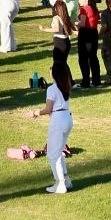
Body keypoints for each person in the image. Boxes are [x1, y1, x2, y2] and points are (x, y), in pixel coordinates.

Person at [27, 63, 74, 194]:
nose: (50, 70)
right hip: (67, 118)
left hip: (58, 120)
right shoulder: (65, 85)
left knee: (53, 154)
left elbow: (48, 109)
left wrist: (35, 113)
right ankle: (66, 180)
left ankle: (60, 184)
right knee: (58, 152)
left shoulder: (52, 89)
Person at [75, 0, 101, 88]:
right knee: (93, 57)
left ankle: (86, 81)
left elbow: (82, 23)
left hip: (85, 34)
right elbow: (97, 19)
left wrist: (74, 23)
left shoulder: (84, 9)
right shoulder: (94, 8)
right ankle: (96, 81)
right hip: (93, 33)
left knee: (83, 59)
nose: (79, 1)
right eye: (78, 0)